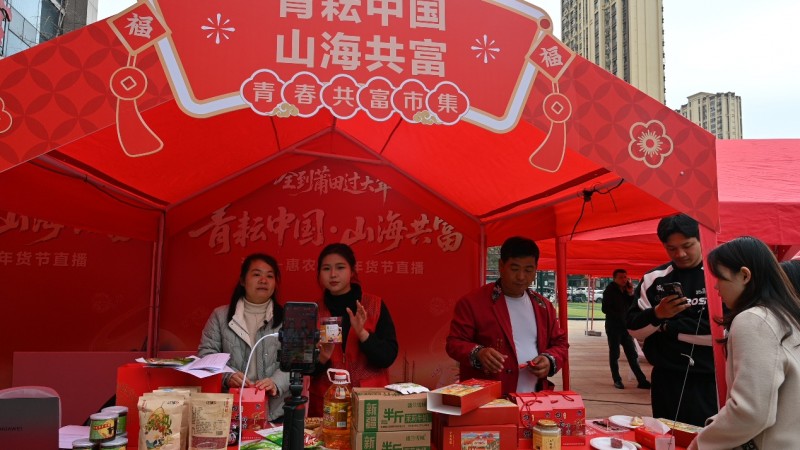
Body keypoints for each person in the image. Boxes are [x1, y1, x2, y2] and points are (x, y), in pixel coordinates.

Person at [688, 236, 800, 449]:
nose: (716, 287)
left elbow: (750, 412)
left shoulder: (754, 319)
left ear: (745, 275)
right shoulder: (787, 316)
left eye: (720, 278)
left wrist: (700, 444)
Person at [626, 213, 717, 426]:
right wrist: (658, 314)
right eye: (671, 248)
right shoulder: (653, 279)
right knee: (666, 434)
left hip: (710, 377)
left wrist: (667, 327)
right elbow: (633, 328)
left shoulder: (719, 274)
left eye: (687, 245)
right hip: (666, 377)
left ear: (701, 239)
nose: (681, 254)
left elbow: (723, 332)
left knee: (706, 436)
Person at [446, 236, 568, 395]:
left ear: (535, 270)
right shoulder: (473, 303)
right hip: (487, 398)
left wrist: (549, 360)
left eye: (528, 270)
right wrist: (479, 353)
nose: (521, 277)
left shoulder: (543, 306)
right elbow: (454, 343)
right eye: (515, 269)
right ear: (501, 266)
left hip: (533, 398)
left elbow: (560, 343)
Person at [308, 243, 399, 417]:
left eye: (340, 267)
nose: (333, 274)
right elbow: (304, 369)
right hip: (327, 406)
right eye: (326, 269)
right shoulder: (314, 311)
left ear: (352, 271)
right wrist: (322, 358)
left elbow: (388, 356)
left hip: (369, 403)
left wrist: (363, 335)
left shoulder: (374, 305)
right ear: (319, 273)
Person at [198, 253, 289, 422]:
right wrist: (228, 376)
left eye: (270, 276)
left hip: (275, 411)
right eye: (256, 274)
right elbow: (206, 355)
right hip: (230, 410)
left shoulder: (287, 318)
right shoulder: (220, 316)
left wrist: (276, 382)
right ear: (242, 280)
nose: (263, 280)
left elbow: (295, 362)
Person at [601, 269, 650, 390]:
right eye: (621, 277)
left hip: (625, 328)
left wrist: (630, 293)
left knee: (632, 354)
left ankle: (641, 380)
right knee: (615, 354)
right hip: (614, 327)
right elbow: (605, 309)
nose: (624, 280)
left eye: (625, 277)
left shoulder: (626, 291)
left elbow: (632, 305)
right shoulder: (609, 290)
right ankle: (617, 379)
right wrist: (619, 316)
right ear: (615, 279)